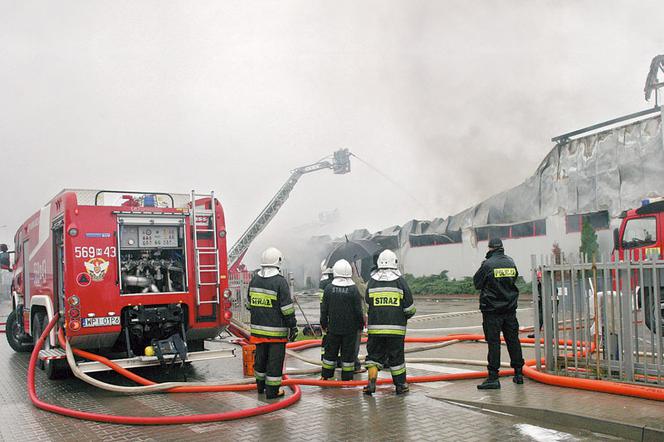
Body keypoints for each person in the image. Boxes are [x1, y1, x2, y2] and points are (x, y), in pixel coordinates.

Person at [473, 238, 524, 389]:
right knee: (513, 341)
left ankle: (493, 377)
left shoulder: (487, 264)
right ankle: (519, 374)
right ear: (501, 247)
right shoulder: (511, 262)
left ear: (490, 248)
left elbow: (477, 283)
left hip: (492, 311)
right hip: (510, 310)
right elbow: (513, 280)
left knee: (494, 344)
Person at [247, 247, 298, 399]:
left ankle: (260, 388)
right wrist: (292, 326)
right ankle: (272, 392)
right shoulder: (280, 282)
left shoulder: (254, 279)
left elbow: (249, 305)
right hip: (276, 333)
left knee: (260, 361)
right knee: (274, 363)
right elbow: (287, 309)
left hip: (258, 332)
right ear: (278, 262)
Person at [364, 249, 416, 395]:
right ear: (395, 263)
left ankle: (371, 383)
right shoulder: (401, 282)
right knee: (396, 358)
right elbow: (410, 308)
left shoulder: (372, 282)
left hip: (375, 330)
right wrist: (405, 316)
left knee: (374, 357)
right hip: (396, 331)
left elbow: (367, 306)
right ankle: (401, 386)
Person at [320, 259, 364, 381]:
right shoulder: (353, 289)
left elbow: (324, 309)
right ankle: (347, 378)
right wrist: (361, 325)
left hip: (333, 328)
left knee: (330, 353)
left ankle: (326, 376)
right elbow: (358, 310)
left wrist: (323, 324)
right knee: (348, 355)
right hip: (350, 329)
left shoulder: (329, 288)